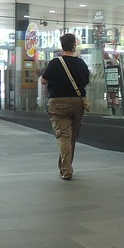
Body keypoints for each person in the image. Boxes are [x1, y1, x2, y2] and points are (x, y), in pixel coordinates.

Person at [40, 33, 90, 180]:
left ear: (62, 46)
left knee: (64, 137)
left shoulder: (55, 63)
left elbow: (43, 81)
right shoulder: (81, 63)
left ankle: (66, 170)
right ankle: (65, 166)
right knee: (71, 137)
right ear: (74, 45)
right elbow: (86, 81)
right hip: (77, 102)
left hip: (58, 103)